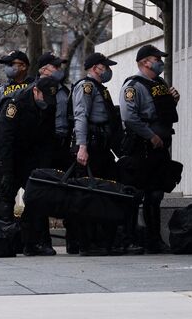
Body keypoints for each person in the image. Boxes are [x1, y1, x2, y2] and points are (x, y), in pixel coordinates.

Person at [119, 45, 180, 254]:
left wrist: (174, 101)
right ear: (145, 61)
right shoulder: (133, 86)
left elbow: (163, 112)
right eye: (156, 58)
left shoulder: (160, 84)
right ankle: (130, 239)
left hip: (160, 147)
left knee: (156, 194)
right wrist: (150, 136)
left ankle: (155, 240)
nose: (160, 62)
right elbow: (129, 117)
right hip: (142, 147)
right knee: (136, 194)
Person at [72, 52, 132, 255]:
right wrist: (82, 146)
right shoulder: (86, 87)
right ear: (96, 67)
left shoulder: (100, 88)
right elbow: (81, 116)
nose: (108, 70)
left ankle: (104, 240)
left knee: (108, 190)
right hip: (91, 147)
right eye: (105, 66)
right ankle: (87, 243)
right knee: (90, 194)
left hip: (102, 147)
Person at [0, 76, 59, 256]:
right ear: (36, 91)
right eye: (44, 98)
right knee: (5, 199)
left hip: (32, 157)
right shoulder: (16, 104)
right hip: (11, 157)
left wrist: (44, 169)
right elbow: (4, 140)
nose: (47, 103)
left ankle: (38, 242)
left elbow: (48, 139)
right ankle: (4, 241)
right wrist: (6, 171)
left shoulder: (48, 104)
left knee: (38, 197)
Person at [0, 50, 33, 135]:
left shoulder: (35, 87)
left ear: (23, 66)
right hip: (7, 137)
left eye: (10, 64)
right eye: (6, 65)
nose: (6, 67)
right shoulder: (1, 90)